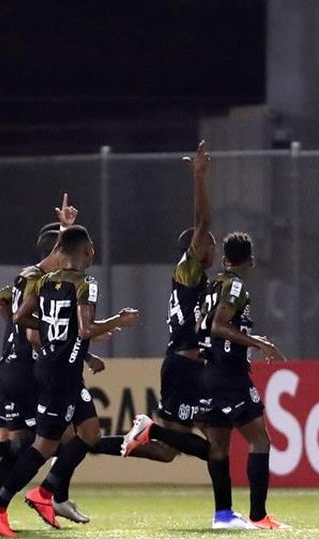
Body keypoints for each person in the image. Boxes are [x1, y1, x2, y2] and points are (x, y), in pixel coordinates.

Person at [0, 226, 140, 537]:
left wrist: (53, 330)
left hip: (60, 369)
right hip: (58, 374)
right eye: (92, 247)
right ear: (87, 251)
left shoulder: (44, 282)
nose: (94, 252)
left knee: (90, 432)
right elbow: (86, 330)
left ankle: (46, 492)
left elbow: (20, 317)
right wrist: (120, 320)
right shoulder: (86, 284)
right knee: (42, 446)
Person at [121, 140, 215, 462]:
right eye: (208, 245)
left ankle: (90, 444)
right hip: (185, 367)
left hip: (184, 364)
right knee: (216, 443)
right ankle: (149, 428)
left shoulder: (192, 278)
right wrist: (199, 178)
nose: (211, 248)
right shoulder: (187, 271)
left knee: (166, 453)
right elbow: (203, 223)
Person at [195, 232, 288, 529]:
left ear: (224, 260)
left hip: (208, 372)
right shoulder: (234, 285)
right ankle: (258, 516)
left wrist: (247, 340)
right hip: (230, 375)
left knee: (218, 446)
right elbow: (218, 326)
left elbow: (202, 326)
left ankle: (222, 515)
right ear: (252, 260)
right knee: (260, 440)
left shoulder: (213, 285)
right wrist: (255, 343)